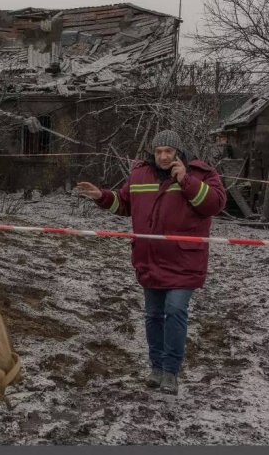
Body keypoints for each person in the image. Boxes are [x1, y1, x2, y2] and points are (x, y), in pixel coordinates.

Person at [75, 130, 226, 395]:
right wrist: (101, 196)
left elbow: (214, 205)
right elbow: (124, 204)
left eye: (169, 151)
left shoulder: (202, 174)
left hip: (184, 261)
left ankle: (171, 371)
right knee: (153, 316)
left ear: (179, 152)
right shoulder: (140, 174)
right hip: (149, 260)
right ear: (152, 154)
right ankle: (156, 368)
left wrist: (186, 181)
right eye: (158, 152)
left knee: (176, 311)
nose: (164, 156)